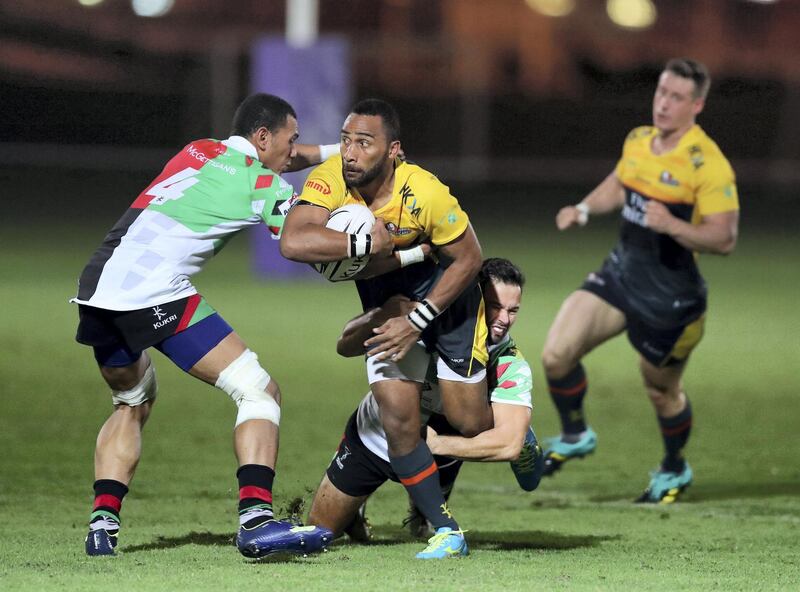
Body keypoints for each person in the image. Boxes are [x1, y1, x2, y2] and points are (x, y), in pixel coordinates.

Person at [73, 93, 334, 558]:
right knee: (259, 391)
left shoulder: (200, 148)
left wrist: (340, 152)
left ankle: (101, 527)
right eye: (290, 141)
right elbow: (298, 242)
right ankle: (256, 522)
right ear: (262, 137)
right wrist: (379, 242)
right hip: (153, 291)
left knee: (132, 398)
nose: (295, 152)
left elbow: (284, 159)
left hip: (97, 285)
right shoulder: (263, 184)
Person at [280, 98, 493, 558]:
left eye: (364, 142)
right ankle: (444, 529)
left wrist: (419, 319)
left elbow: (469, 260)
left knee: (471, 422)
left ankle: (490, 404)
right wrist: (362, 241)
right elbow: (293, 241)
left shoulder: (426, 192)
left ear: (393, 150)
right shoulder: (333, 177)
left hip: (448, 304)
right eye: (345, 140)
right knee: (399, 417)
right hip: (388, 304)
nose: (350, 152)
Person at [540, 58, 740, 503]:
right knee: (556, 355)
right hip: (620, 276)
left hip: (672, 303)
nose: (664, 104)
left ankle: (674, 468)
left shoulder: (707, 165)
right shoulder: (639, 140)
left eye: (676, 97)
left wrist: (672, 224)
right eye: (660, 93)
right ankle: (575, 434)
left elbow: (724, 238)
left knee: (661, 390)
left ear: (697, 105)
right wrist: (585, 208)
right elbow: (619, 182)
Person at [307, 258, 543, 548]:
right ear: (474, 297)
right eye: (496, 306)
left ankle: (506, 425)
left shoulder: (510, 363)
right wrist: (383, 315)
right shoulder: (423, 322)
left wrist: (435, 446)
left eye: (513, 310)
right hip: (379, 433)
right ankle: (355, 509)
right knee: (320, 530)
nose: (504, 319)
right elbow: (345, 346)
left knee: (426, 526)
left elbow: (507, 445)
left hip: (442, 442)